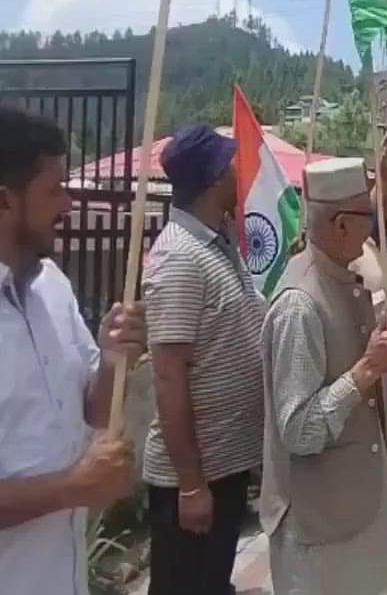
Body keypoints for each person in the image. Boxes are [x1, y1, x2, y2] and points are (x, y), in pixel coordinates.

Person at [0, 106, 147, 595]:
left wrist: (111, 359)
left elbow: (94, 408)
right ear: (4, 201)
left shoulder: (54, 288)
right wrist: (72, 488)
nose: (67, 205)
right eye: (53, 190)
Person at [259, 158, 387, 595]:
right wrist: (365, 372)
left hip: (355, 510)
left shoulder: (345, 279)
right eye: (367, 217)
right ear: (341, 224)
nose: (371, 232)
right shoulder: (300, 306)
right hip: (320, 527)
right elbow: (299, 430)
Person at [143, 125, 266, 595]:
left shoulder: (217, 245)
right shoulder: (179, 258)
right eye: (231, 164)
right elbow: (168, 376)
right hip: (194, 479)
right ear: (215, 178)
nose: (239, 172)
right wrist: (191, 484)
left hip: (223, 467)